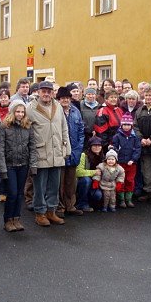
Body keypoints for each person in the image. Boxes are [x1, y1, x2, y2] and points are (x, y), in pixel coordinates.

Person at [25, 81, 71, 227]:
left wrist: (66, 149)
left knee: (54, 184)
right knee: (40, 186)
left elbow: (64, 128)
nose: (46, 94)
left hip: (57, 151)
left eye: (49, 91)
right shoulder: (30, 108)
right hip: (41, 152)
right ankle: (40, 212)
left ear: (53, 93)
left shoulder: (57, 106)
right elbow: (26, 132)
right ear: (38, 92)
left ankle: (52, 211)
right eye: (43, 91)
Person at [0, 100, 37, 232]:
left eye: (22, 112)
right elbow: (1, 148)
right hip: (10, 165)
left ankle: (16, 218)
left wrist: (33, 165)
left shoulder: (28, 126)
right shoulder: (5, 127)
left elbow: (32, 146)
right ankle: (8, 219)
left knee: (20, 193)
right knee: (12, 193)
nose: (20, 114)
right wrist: (2, 168)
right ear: (12, 112)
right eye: (17, 111)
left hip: (23, 164)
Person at [56, 87, 85, 217]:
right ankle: (60, 207)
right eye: (63, 98)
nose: (65, 100)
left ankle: (70, 206)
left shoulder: (76, 112)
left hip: (74, 151)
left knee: (71, 182)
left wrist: (78, 150)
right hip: (60, 153)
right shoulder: (55, 112)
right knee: (59, 182)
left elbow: (81, 132)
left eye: (67, 98)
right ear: (58, 100)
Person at [111, 114, 141, 208]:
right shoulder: (117, 136)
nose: (126, 127)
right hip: (120, 163)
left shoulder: (135, 137)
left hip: (131, 163)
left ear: (131, 126)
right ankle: (121, 199)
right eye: (125, 125)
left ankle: (129, 198)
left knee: (130, 180)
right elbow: (115, 147)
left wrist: (133, 159)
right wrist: (113, 151)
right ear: (122, 125)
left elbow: (137, 149)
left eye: (128, 125)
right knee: (121, 180)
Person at [76, 136, 104, 212]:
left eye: (99, 145)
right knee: (86, 180)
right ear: (90, 146)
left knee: (98, 196)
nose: (97, 147)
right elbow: (78, 172)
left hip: (95, 182)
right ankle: (82, 204)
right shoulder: (83, 155)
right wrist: (94, 172)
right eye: (95, 145)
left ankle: (92, 203)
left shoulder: (102, 157)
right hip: (83, 182)